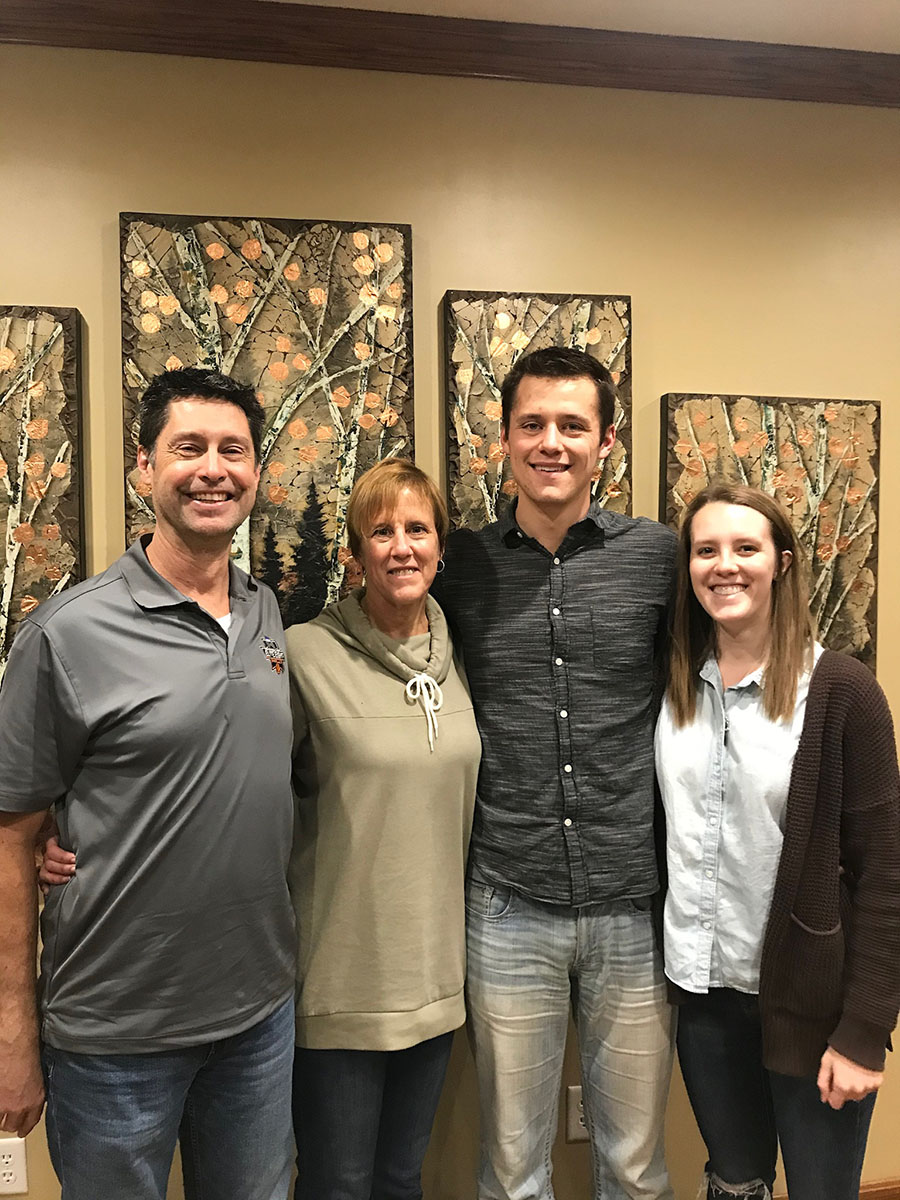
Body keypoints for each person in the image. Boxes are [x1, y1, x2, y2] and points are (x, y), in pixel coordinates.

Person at [0, 368, 297, 1200]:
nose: (213, 469)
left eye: (232, 450)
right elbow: (12, 833)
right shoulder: (66, 634)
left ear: (256, 473)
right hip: (113, 1032)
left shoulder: (267, 614)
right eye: (187, 447)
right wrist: (13, 1038)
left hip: (258, 1017)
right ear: (143, 467)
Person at [432, 346, 677, 1200]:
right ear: (502, 439)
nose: (552, 442)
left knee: (636, 1165)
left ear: (605, 441)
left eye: (574, 425)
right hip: (507, 899)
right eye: (532, 424)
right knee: (511, 1170)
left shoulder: (660, 558)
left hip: (634, 903)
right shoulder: (454, 564)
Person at [656, 482, 900, 1200]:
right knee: (734, 1183)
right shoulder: (673, 686)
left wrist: (864, 1031)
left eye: (744, 548)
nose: (723, 565)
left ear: (781, 563)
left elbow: (886, 873)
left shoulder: (843, 692)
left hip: (810, 1004)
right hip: (704, 997)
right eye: (706, 550)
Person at [285, 458, 480, 1199]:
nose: (402, 546)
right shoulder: (305, 655)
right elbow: (246, 791)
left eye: (418, 529)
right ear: (354, 554)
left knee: (402, 1178)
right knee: (336, 1182)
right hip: (339, 981)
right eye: (382, 531)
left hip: (435, 974)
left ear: (439, 547)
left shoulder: (461, 652)